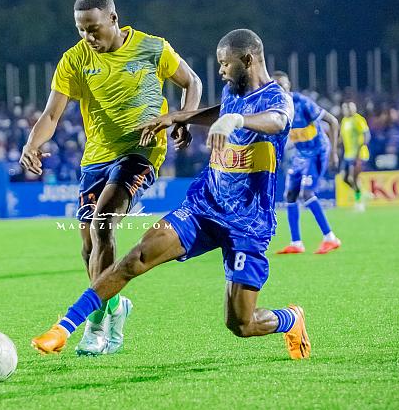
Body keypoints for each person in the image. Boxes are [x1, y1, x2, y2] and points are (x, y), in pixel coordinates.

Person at [31, 29, 311, 360]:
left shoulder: (278, 98)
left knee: (241, 323)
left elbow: (277, 121)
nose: (221, 70)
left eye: (225, 63)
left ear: (247, 60)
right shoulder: (233, 91)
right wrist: (179, 117)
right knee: (136, 257)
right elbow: (222, 109)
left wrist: (234, 120)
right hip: (203, 207)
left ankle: (291, 319)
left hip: (247, 224)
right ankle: (63, 329)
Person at [19, 0, 202, 356]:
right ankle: (116, 306)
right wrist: (32, 143)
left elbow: (191, 82)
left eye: (94, 28)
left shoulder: (152, 48)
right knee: (89, 245)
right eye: (81, 30)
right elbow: (52, 114)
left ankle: (95, 327)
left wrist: (183, 118)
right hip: (96, 157)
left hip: (141, 151)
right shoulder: (74, 60)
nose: (88, 37)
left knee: (103, 224)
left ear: (113, 19)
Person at [272, 71, 341, 255]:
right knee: (290, 195)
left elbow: (333, 121)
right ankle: (296, 243)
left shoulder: (302, 103)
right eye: (275, 86)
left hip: (318, 151)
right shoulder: (275, 109)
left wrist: (334, 153)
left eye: (282, 85)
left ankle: (330, 237)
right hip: (301, 154)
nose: (279, 89)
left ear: (289, 86)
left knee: (307, 193)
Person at [340, 101, 371, 211]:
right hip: (348, 154)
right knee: (344, 178)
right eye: (345, 108)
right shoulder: (344, 121)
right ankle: (362, 192)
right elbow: (343, 137)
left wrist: (360, 149)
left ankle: (359, 202)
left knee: (353, 178)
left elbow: (366, 135)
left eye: (350, 108)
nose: (347, 110)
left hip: (359, 154)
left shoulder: (358, 119)